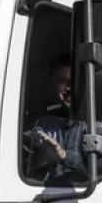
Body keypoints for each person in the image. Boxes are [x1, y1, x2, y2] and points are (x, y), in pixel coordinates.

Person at [25, 55, 86, 183]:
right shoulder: (43, 122)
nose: (69, 88)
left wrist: (63, 154)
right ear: (53, 86)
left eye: (74, 81)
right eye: (63, 82)